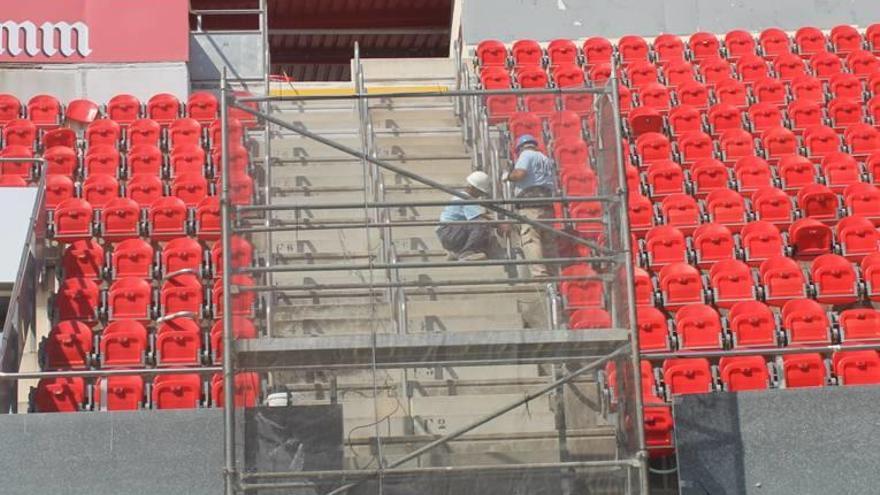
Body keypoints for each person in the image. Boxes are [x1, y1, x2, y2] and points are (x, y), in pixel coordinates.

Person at [503, 134, 558, 277]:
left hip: (530, 202)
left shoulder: (526, 155)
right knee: (548, 240)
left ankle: (539, 274)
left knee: (531, 237)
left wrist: (508, 176)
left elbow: (520, 174)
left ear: (520, 148)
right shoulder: (546, 159)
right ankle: (554, 273)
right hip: (547, 202)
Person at [435, 171, 503, 261]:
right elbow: (480, 218)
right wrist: (500, 224)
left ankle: (457, 253)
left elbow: (480, 215)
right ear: (472, 188)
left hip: (448, 233)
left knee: (479, 225)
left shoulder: (461, 197)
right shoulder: (466, 198)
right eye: (480, 192)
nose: (480, 195)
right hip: (450, 233)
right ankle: (467, 253)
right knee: (481, 224)